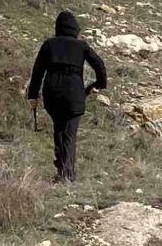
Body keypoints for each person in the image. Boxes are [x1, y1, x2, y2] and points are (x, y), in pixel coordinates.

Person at [26, 10, 109, 183]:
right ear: (75, 28)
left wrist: (33, 95)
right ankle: (67, 173)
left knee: (59, 130)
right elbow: (100, 65)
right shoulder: (82, 46)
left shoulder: (49, 45)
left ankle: (62, 171)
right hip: (75, 94)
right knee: (70, 133)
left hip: (53, 93)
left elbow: (38, 72)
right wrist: (98, 85)